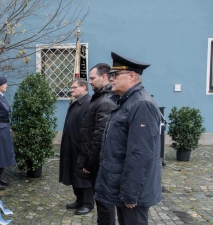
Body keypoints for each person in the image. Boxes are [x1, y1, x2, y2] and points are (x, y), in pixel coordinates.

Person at [94, 52, 163, 225]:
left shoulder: (141, 104)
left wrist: (130, 192)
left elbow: (140, 154)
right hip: (122, 185)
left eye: (115, 75)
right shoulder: (127, 100)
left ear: (132, 76)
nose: (111, 79)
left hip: (133, 192)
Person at [79, 63, 118, 225]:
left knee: (104, 202)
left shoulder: (105, 101)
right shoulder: (100, 99)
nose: (90, 81)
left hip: (101, 164)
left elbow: (100, 137)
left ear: (104, 77)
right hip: (98, 162)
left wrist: (90, 163)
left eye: (92, 78)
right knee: (101, 201)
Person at [59, 78, 94, 215]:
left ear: (84, 87)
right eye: (71, 87)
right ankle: (79, 199)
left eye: (74, 87)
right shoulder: (77, 103)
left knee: (84, 176)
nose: (71, 90)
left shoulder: (88, 103)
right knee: (74, 174)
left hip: (82, 147)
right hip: (72, 145)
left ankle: (88, 203)